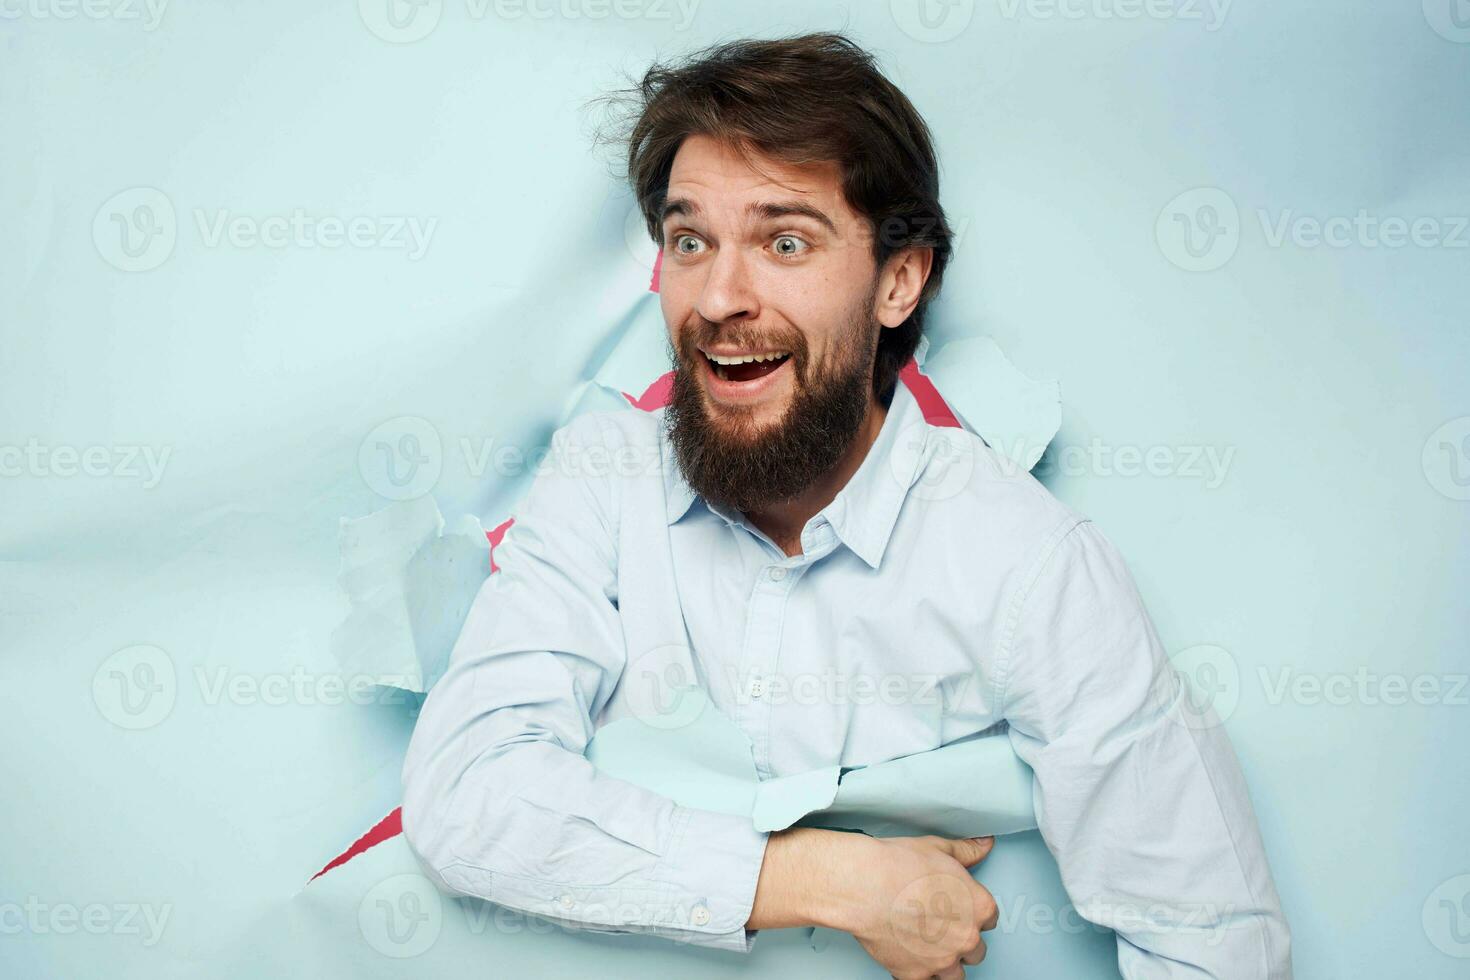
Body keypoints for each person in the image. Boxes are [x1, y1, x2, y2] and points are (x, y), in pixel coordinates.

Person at [401, 32, 1291, 979]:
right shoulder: (601, 479)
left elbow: (1214, 940)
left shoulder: (1029, 565)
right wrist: (831, 880)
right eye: (690, 240)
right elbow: (467, 794)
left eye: (785, 241)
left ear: (898, 281)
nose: (718, 298)